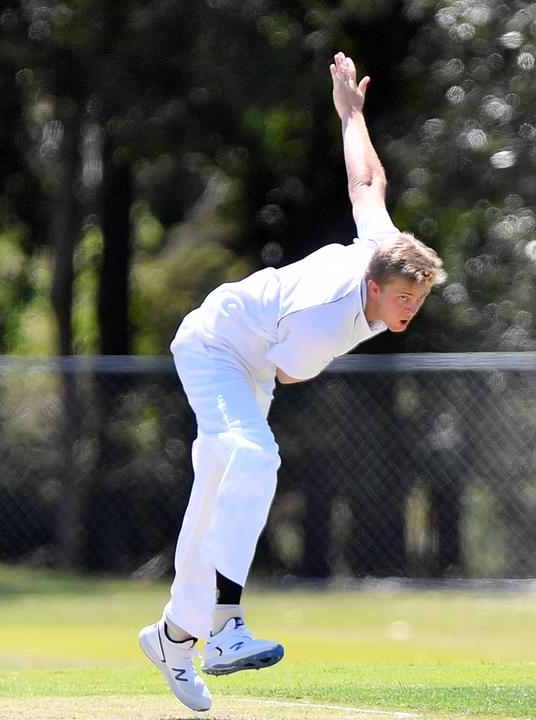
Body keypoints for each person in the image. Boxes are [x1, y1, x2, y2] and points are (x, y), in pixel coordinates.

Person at [138, 52, 447, 712]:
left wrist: (352, 116)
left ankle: (172, 636)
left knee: (218, 493)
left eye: (417, 301)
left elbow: (367, 185)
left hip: (253, 353)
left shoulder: (385, 248)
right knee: (255, 458)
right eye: (400, 299)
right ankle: (222, 628)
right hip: (219, 346)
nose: (408, 310)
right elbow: (286, 369)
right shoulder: (326, 320)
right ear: (373, 286)